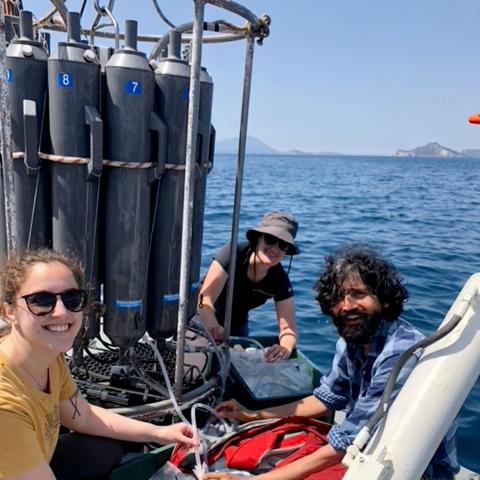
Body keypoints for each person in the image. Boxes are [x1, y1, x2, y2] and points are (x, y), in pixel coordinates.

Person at [203, 245, 459, 480]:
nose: (347, 306)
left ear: (385, 299)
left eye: (358, 294)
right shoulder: (351, 341)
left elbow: (348, 442)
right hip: (366, 452)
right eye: (338, 298)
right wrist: (251, 415)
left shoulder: (400, 353)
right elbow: (326, 399)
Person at [0, 249, 197, 480]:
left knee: (105, 449)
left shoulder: (48, 356)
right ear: (9, 311)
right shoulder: (5, 407)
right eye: (41, 301)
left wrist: (161, 433)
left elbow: (82, 417)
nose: (61, 312)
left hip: (36, 460)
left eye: (73, 299)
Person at [197, 211, 299, 363]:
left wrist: (285, 348)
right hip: (201, 316)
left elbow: (288, 329)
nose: (275, 248)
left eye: (283, 245)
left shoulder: (280, 279)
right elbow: (204, 300)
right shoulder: (232, 254)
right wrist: (213, 326)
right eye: (270, 239)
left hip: (237, 324)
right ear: (258, 238)